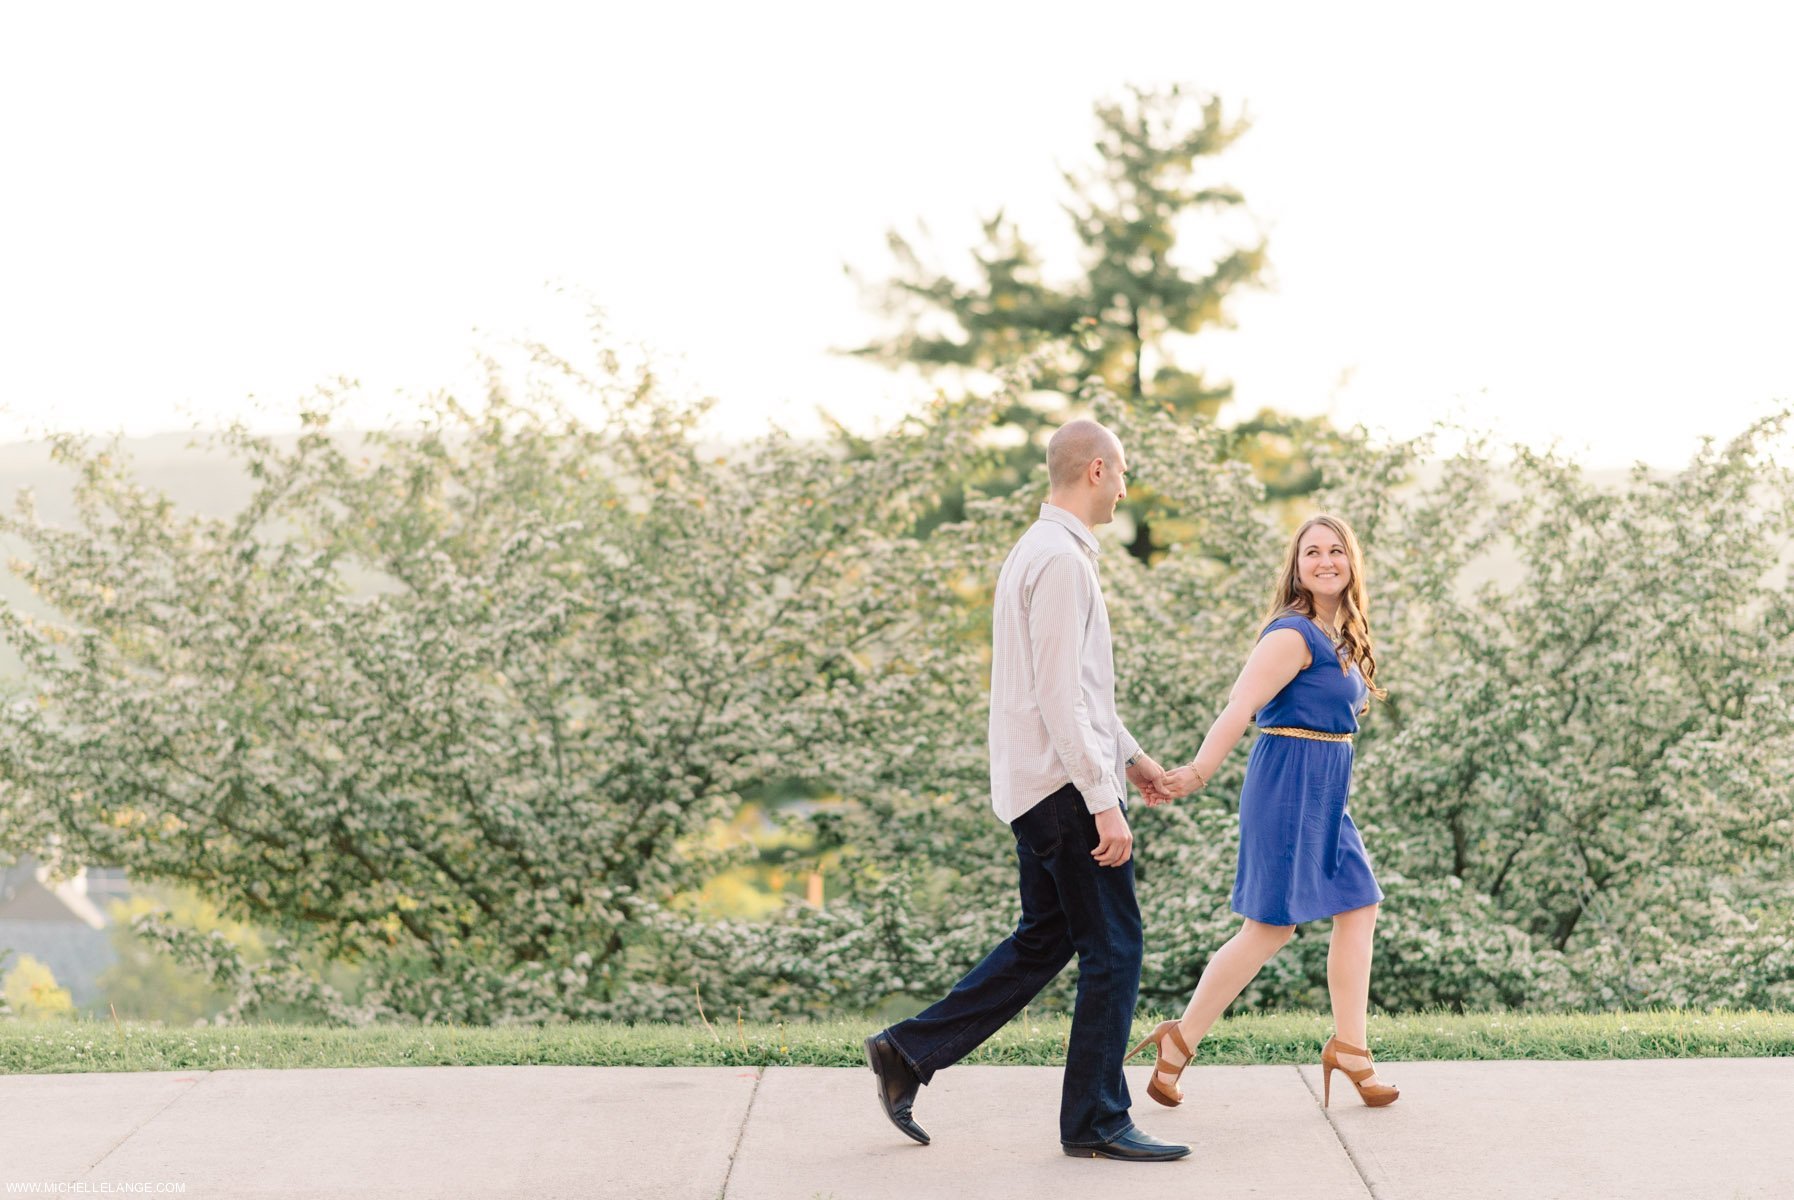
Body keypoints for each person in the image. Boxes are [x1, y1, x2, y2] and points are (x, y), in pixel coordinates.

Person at [864, 419, 1190, 1162]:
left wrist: (1132, 759)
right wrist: (1104, 799)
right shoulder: (1062, 561)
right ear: (1098, 471)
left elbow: (1078, 689)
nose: (1128, 487)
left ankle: (907, 1054)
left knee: (1046, 939)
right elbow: (1057, 695)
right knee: (1114, 947)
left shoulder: (1037, 551)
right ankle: (1097, 1120)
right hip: (1063, 789)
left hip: (1039, 782)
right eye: (1125, 471)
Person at [1137, 514, 1399, 1111]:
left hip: (1328, 789)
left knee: (1360, 906)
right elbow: (1240, 706)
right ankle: (1178, 1043)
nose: (1326, 560)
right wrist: (1198, 772)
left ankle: (1351, 1049)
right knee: (1271, 927)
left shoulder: (1345, 634)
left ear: (1352, 562)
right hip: (1285, 786)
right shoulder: (1292, 634)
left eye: (1337, 551)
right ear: (1297, 566)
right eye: (1312, 552)